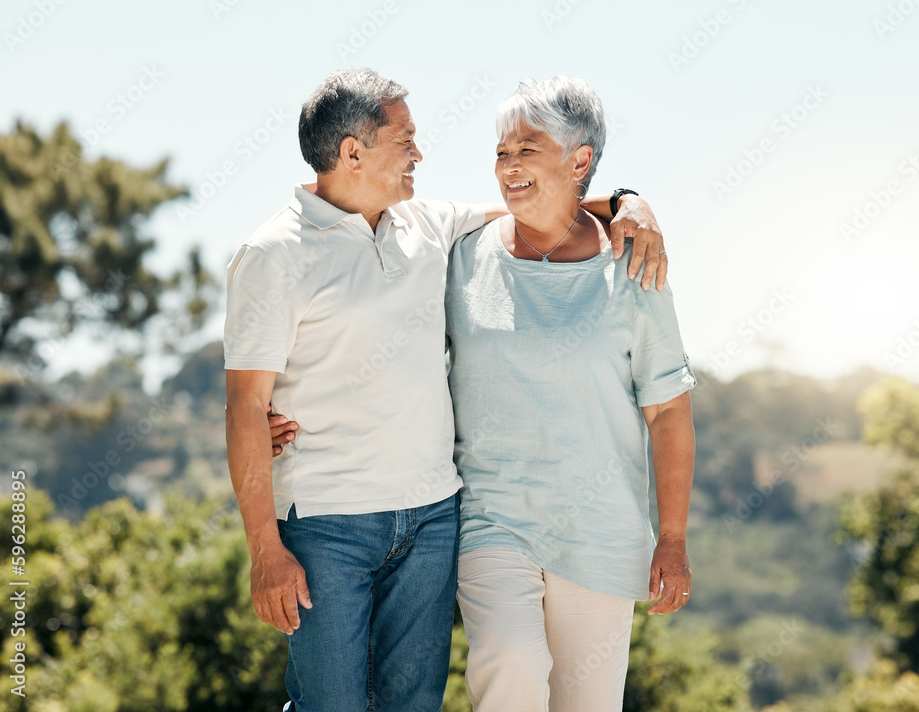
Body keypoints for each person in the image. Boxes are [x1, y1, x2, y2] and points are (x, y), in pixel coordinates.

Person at [228, 67, 667, 712]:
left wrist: (632, 201)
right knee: (332, 703)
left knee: (413, 703)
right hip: (327, 525)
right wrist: (265, 552)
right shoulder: (273, 253)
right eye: (404, 139)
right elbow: (243, 407)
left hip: (432, 518)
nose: (419, 153)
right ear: (353, 152)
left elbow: (544, 202)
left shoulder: (428, 226)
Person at [445, 75, 697, 712]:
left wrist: (671, 539)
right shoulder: (462, 257)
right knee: (512, 671)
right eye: (502, 151)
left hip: (601, 530)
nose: (508, 166)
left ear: (580, 160)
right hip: (492, 520)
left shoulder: (635, 264)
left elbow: (667, 410)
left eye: (527, 148)